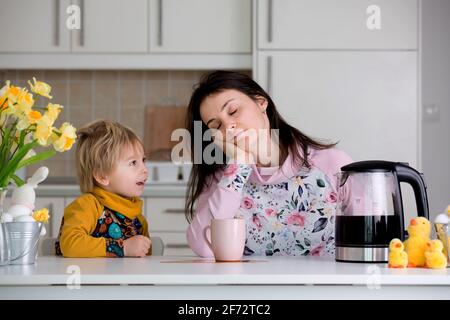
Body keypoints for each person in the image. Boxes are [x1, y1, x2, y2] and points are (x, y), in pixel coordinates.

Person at [185, 70, 353, 257]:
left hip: (327, 285)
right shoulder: (222, 180)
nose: (228, 126)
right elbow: (204, 248)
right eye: (216, 126)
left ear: (261, 102)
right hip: (251, 286)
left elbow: (373, 239)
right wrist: (240, 164)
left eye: (233, 111)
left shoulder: (332, 164)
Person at [56, 120, 151, 257]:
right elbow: (70, 244)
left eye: (143, 160)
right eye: (133, 163)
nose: (144, 170)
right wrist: (122, 248)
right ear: (102, 176)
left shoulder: (138, 218)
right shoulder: (88, 206)